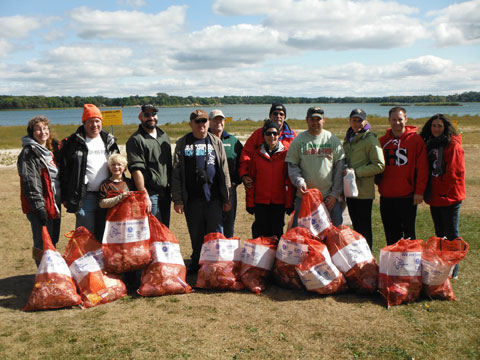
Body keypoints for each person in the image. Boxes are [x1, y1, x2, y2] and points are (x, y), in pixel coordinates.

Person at [172, 109, 231, 272]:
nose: (201, 125)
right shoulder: (182, 143)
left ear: (208, 123)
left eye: (204, 121)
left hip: (213, 197)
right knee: (196, 233)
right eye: (197, 121)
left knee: (216, 233)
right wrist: (177, 199)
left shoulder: (215, 142)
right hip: (192, 199)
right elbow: (176, 172)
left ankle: (216, 264)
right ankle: (198, 262)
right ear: (191, 123)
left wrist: (227, 198)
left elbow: (224, 170)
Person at [60, 104, 119, 241]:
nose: (94, 125)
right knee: (85, 237)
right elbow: (64, 171)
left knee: (106, 235)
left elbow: (118, 164)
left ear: (101, 122)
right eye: (90, 121)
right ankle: (84, 262)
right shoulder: (73, 142)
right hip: (84, 197)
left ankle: (103, 262)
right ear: (84, 123)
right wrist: (65, 196)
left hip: (108, 195)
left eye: (97, 121)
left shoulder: (109, 141)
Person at [420, 114, 465, 278]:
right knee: (440, 234)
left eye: (439, 126)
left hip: (450, 196)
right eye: (434, 126)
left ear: (445, 127)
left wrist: (443, 190)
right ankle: (442, 266)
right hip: (435, 197)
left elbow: (454, 173)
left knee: (451, 234)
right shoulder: (430, 145)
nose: (436, 129)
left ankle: (454, 269)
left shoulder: (452, 145)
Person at [377, 106, 428, 245]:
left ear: (405, 119)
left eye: (400, 119)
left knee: (409, 235)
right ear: (389, 120)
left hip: (407, 195)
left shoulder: (416, 140)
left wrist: (419, 192)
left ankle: (410, 265)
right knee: (391, 235)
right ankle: (394, 265)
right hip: (387, 196)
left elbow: (422, 169)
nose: (397, 123)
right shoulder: (382, 142)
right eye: (393, 120)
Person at [286, 106, 345, 226]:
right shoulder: (298, 141)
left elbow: (339, 169)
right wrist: (300, 182)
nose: (315, 122)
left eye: (318, 119)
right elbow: (293, 166)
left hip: (328, 198)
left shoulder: (332, 140)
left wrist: (334, 194)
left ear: (324, 120)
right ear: (307, 120)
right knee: (301, 235)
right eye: (312, 119)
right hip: (304, 197)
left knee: (334, 233)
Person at [17, 116, 62, 266]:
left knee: (52, 239)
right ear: (32, 132)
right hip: (40, 205)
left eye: (45, 128)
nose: (42, 132)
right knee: (41, 241)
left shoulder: (50, 150)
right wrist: (39, 207)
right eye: (38, 129)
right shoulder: (29, 153)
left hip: (53, 203)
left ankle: (52, 272)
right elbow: (30, 182)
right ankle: (42, 274)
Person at [343, 109, 385, 250]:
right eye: (354, 120)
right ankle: (359, 260)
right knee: (356, 228)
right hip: (350, 190)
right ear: (350, 121)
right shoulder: (349, 137)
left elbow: (379, 165)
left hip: (364, 191)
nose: (357, 123)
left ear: (365, 121)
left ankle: (367, 261)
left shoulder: (370, 139)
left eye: (360, 120)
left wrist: (356, 172)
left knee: (364, 228)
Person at [246, 120, 294, 240]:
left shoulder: (285, 154)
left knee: (277, 233)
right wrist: (250, 203)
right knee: (260, 233)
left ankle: (275, 258)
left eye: (274, 133)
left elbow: (288, 181)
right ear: (263, 135)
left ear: (278, 135)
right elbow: (251, 181)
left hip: (278, 202)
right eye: (268, 133)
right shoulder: (256, 155)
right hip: (261, 202)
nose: (271, 136)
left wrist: (289, 204)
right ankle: (261, 258)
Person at [126, 104, 172, 227]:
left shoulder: (164, 136)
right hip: (150, 194)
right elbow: (136, 170)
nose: (151, 117)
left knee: (164, 229)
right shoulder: (136, 139)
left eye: (153, 114)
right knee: (152, 231)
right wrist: (144, 194)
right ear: (140, 117)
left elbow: (169, 165)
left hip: (165, 193)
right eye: (147, 115)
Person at [239, 103, 296, 190]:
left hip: (284, 184)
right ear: (270, 116)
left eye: (281, 114)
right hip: (262, 183)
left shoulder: (292, 136)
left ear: (285, 117)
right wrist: (244, 174)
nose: (278, 116)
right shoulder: (258, 134)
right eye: (275, 113)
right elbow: (246, 154)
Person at [208, 109, 243, 238]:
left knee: (229, 222)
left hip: (229, 189)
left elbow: (242, 163)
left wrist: (236, 181)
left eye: (221, 119)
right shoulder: (204, 140)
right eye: (215, 119)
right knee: (212, 222)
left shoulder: (233, 141)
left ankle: (228, 250)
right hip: (210, 190)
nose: (219, 122)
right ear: (209, 122)